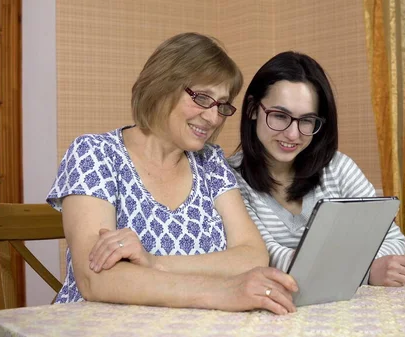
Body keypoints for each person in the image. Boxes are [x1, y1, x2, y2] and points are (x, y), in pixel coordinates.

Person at [46, 33, 297, 315]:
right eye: (202, 98)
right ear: (161, 86)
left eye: (222, 105)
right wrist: (222, 290)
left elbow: (252, 255)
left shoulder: (210, 161)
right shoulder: (94, 154)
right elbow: (97, 279)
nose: (213, 118)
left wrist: (154, 263)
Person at [228, 51, 405, 287]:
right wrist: (366, 271)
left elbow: (394, 241)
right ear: (252, 109)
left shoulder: (338, 168)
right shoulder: (228, 179)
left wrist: (345, 266)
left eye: (307, 120)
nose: (293, 134)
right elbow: (266, 258)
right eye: (279, 116)